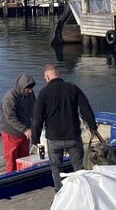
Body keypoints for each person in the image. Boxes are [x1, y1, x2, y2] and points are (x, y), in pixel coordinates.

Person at [30, 63, 97, 191]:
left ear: (47, 77)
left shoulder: (43, 93)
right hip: (73, 136)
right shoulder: (73, 88)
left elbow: (37, 118)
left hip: (54, 138)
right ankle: (82, 191)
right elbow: (86, 109)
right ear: (59, 75)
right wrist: (92, 126)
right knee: (78, 166)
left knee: (56, 168)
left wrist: (35, 139)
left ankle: (59, 193)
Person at [0, 73, 36, 173]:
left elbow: (34, 109)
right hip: (11, 134)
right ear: (22, 87)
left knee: (24, 160)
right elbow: (11, 117)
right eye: (28, 88)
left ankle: (24, 179)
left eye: (31, 88)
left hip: (24, 134)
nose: (30, 90)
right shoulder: (9, 98)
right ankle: (10, 179)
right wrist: (25, 129)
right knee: (11, 160)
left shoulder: (30, 94)